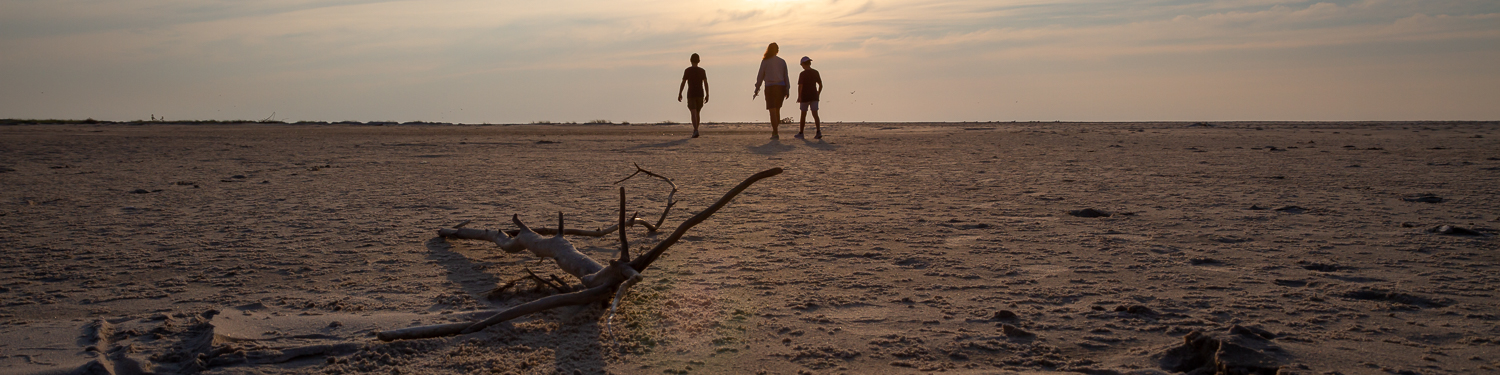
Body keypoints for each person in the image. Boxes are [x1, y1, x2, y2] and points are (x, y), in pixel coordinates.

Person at [752, 43, 790, 139]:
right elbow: (786, 76)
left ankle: (775, 132)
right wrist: (787, 89)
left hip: (770, 87)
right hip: (780, 87)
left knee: (772, 111)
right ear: (777, 50)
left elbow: (760, 75)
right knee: (777, 110)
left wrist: (757, 88)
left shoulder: (765, 61)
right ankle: (775, 131)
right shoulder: (782, 62)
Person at [677, 53, 710, 138]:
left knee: (693, 112)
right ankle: (696, 129)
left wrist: (680, 93)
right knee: (697, 112)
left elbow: (683, 82)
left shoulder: (688, 70)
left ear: (690, 60)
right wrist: (707, 94)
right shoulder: (702, 71)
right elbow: (706, 83)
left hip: (691, 94)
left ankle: (695, 130)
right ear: (699, 61)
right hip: (700, 93)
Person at [795, 56, 823, 139]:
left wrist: (799, 96)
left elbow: (800, 86)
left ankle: (801, 132)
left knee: (803, 114)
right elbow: (821, 85)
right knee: (815, 114)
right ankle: (818, 131)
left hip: (805, 96)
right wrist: (818, 93)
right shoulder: (815, 72)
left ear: (803, 64)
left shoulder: (802, 74)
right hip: (814, 96)